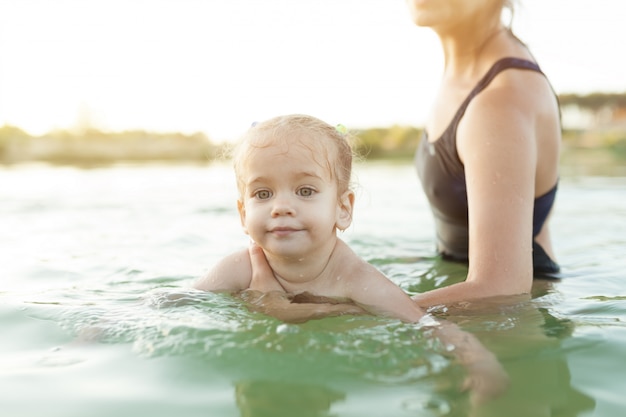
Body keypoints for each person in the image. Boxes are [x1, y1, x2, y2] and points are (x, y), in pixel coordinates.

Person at [193, 114, 508, 404]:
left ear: (343, 208)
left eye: (305, 191)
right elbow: (178, 302)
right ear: (243, 213)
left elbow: (424, 323)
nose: (281, 206)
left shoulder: (354, 278)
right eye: (263, 194)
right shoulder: (239, 267)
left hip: (329, 361)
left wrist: (477, 361)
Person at [404, 0, 562, 307]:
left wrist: (363, 311)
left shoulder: (501, 98)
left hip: (512, 330)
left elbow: (502, 287)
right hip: (464, 297)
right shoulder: (467, 70)